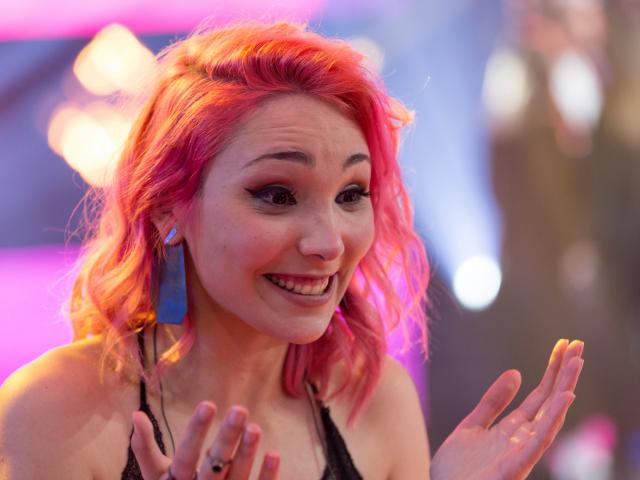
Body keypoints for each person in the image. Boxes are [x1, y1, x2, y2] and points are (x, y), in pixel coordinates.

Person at [0, 21, 584, 479]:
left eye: (351, 194)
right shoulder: (52, 411)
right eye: (277, 195)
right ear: (167, 210)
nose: (329, 243)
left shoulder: (375, 402)